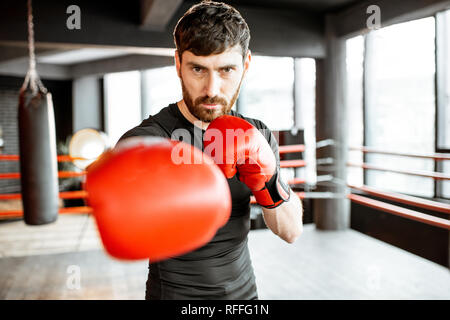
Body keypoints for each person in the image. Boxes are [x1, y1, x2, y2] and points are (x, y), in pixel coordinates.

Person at [119, 0, 303, 300]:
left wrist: (268, 183)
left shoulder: (257, 134)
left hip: (245, 298)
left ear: (245, 65)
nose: (212, 89)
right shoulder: (147, 141)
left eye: (227, 70)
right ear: (178, 64)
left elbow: (291, 231)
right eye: (198, 69)